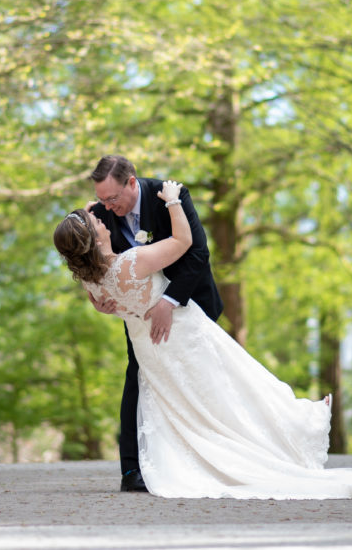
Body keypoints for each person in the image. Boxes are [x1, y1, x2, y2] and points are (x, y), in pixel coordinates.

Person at [53, 180, 352, 500]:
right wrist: (173, 202)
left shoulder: (92, 280)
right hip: (181, 333)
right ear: (91, 235)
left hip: (150, 347)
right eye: (95, 219)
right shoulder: (129, 262)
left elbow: (104, 291)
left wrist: (87, 217)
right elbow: (185, 243)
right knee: (233, 386)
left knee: (185, 405)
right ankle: (276, 439)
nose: (101, 216)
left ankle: (203, 459)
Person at [87, 155, 223, 493]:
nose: (107, 206)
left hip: (190, 303)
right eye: (102, 199)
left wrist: (169, 301)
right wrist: (102, 299)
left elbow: (197, 254)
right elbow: (97, 268)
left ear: (132, 182)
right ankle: (132, 470)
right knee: (138, 376)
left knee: (199, 381)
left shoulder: (170, 197)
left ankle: (207, 459)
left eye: (113, 198)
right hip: (140, 314)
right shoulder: (100, 215)